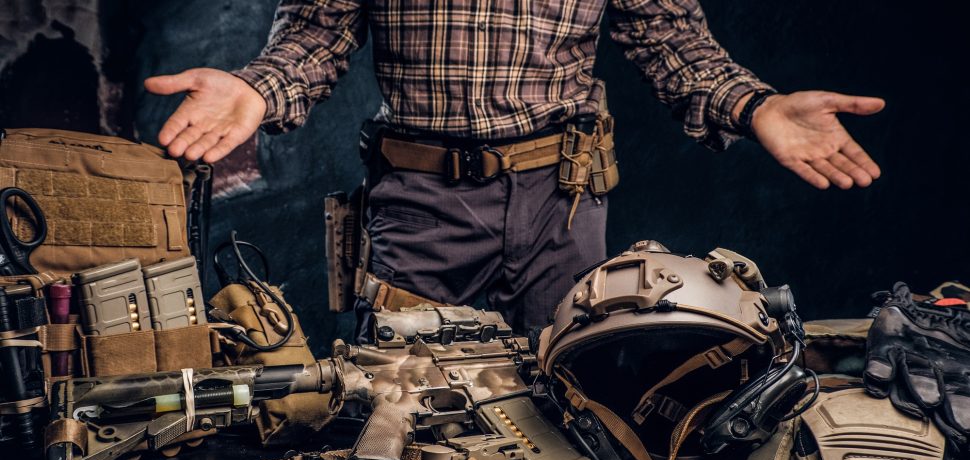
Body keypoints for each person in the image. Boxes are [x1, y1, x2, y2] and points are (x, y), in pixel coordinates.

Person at [144, 0, 885, 334]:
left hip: (562, 203)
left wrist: (754, 105)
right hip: (421, 204)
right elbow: (314, 35)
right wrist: (257, 88)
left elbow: (671, 41)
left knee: (570, 401)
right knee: (406, 406)